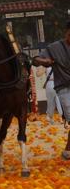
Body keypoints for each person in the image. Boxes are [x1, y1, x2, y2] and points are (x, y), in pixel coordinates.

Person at [33, 22, 70, 160]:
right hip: (64, 88)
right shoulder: (54, 47)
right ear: (66, 32)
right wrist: (44, 61)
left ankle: (68, 150)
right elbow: (35, 60)